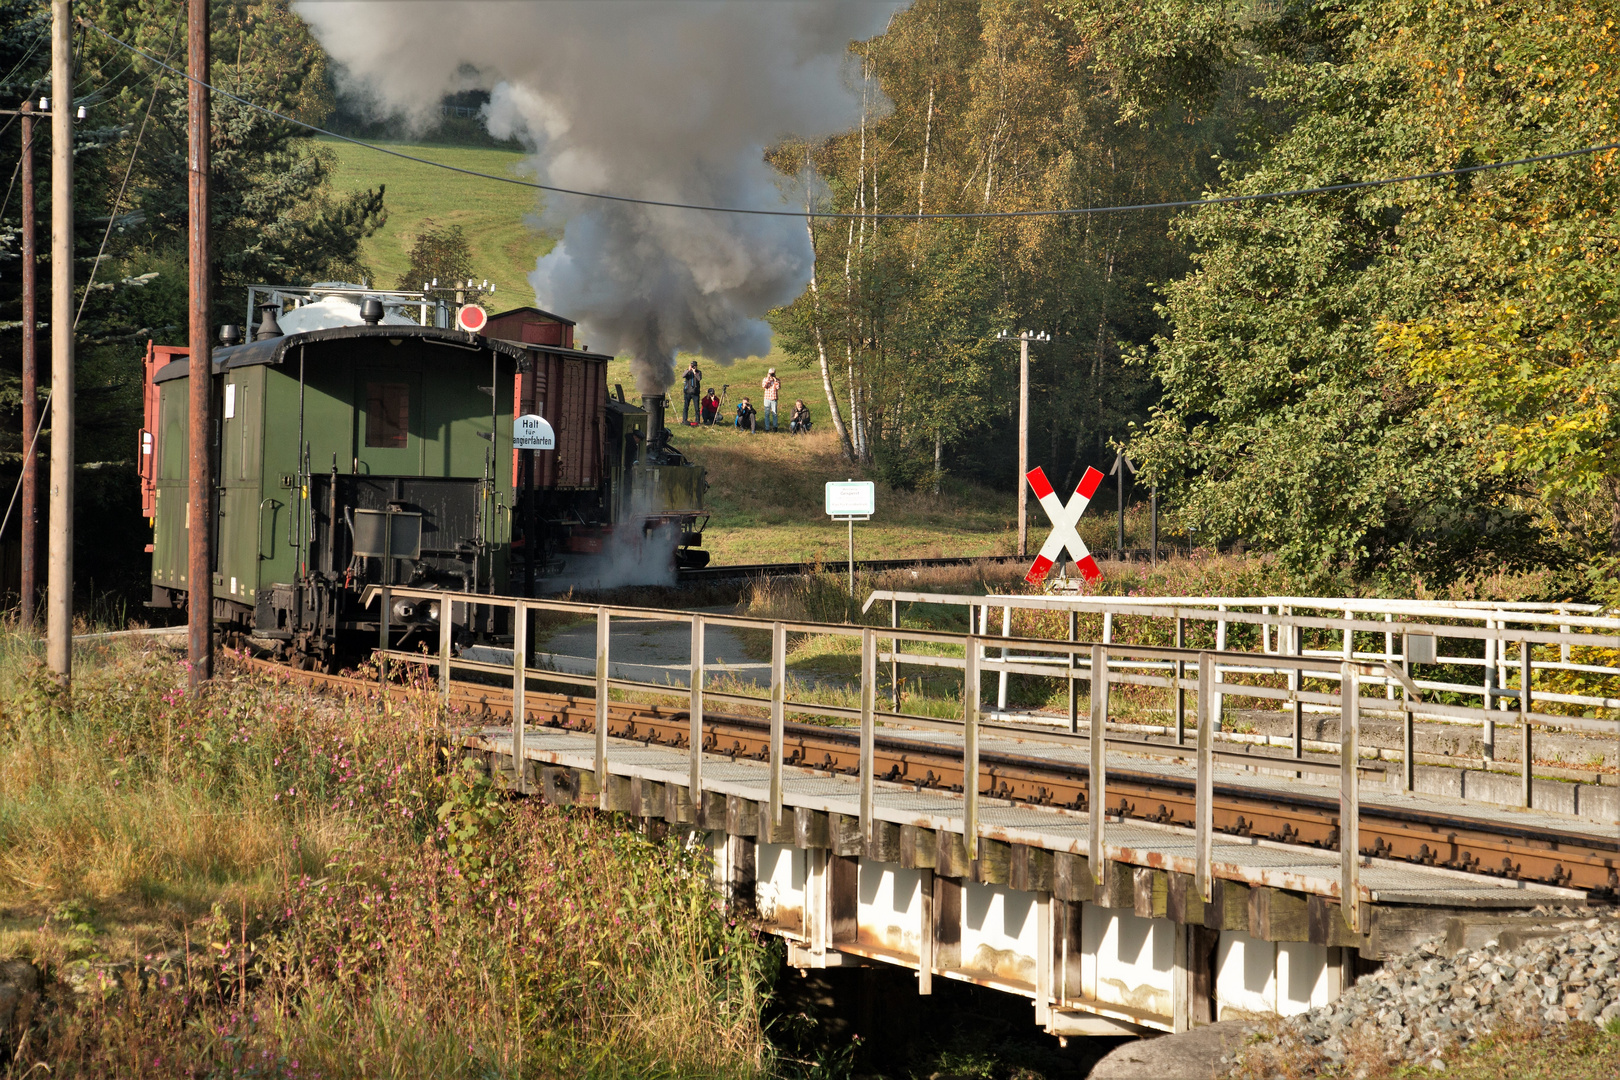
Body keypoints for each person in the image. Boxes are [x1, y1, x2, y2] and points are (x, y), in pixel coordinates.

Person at [681, 359, 703, 424]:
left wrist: (694, 372)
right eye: (692, 366)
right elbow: (683, 375)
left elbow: (699, 379)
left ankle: (697, 421)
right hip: (687, 392)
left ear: (696, 366)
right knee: (686, 407)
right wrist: (688, 370)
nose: (693, 367)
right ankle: (684, 420)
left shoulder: (698, 372)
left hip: (695, 393)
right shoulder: (688, 372)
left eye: (694, 366)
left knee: (697, 408)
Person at [760, 367, 781, 432]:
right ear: (768, 373)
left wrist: (775, 380)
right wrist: (768, 379)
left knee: (774, 413)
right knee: (767, 413)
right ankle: (767, 428)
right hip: (767, 398)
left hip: (774, 399)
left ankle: (775, 427)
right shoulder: (765, 379)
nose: (771, 374)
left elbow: (778, 387)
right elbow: (764, 386)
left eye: (773, 373)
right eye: (770, 373)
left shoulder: (777, 380)